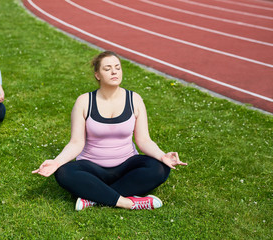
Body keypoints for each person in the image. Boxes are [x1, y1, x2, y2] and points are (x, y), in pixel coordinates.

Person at [32, 51, 187, 211]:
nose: (114, 72)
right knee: (64, 172)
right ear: (97, 75)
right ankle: (128, 202)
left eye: (117, 68)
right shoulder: (84, 101)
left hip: (126, 165)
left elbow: (144, 140)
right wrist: (57, 162)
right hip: (92, 168)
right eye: (107, 69)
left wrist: (162, 155)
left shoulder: (135, 99)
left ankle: (94, 197)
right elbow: (76, 143)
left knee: (160, 168)